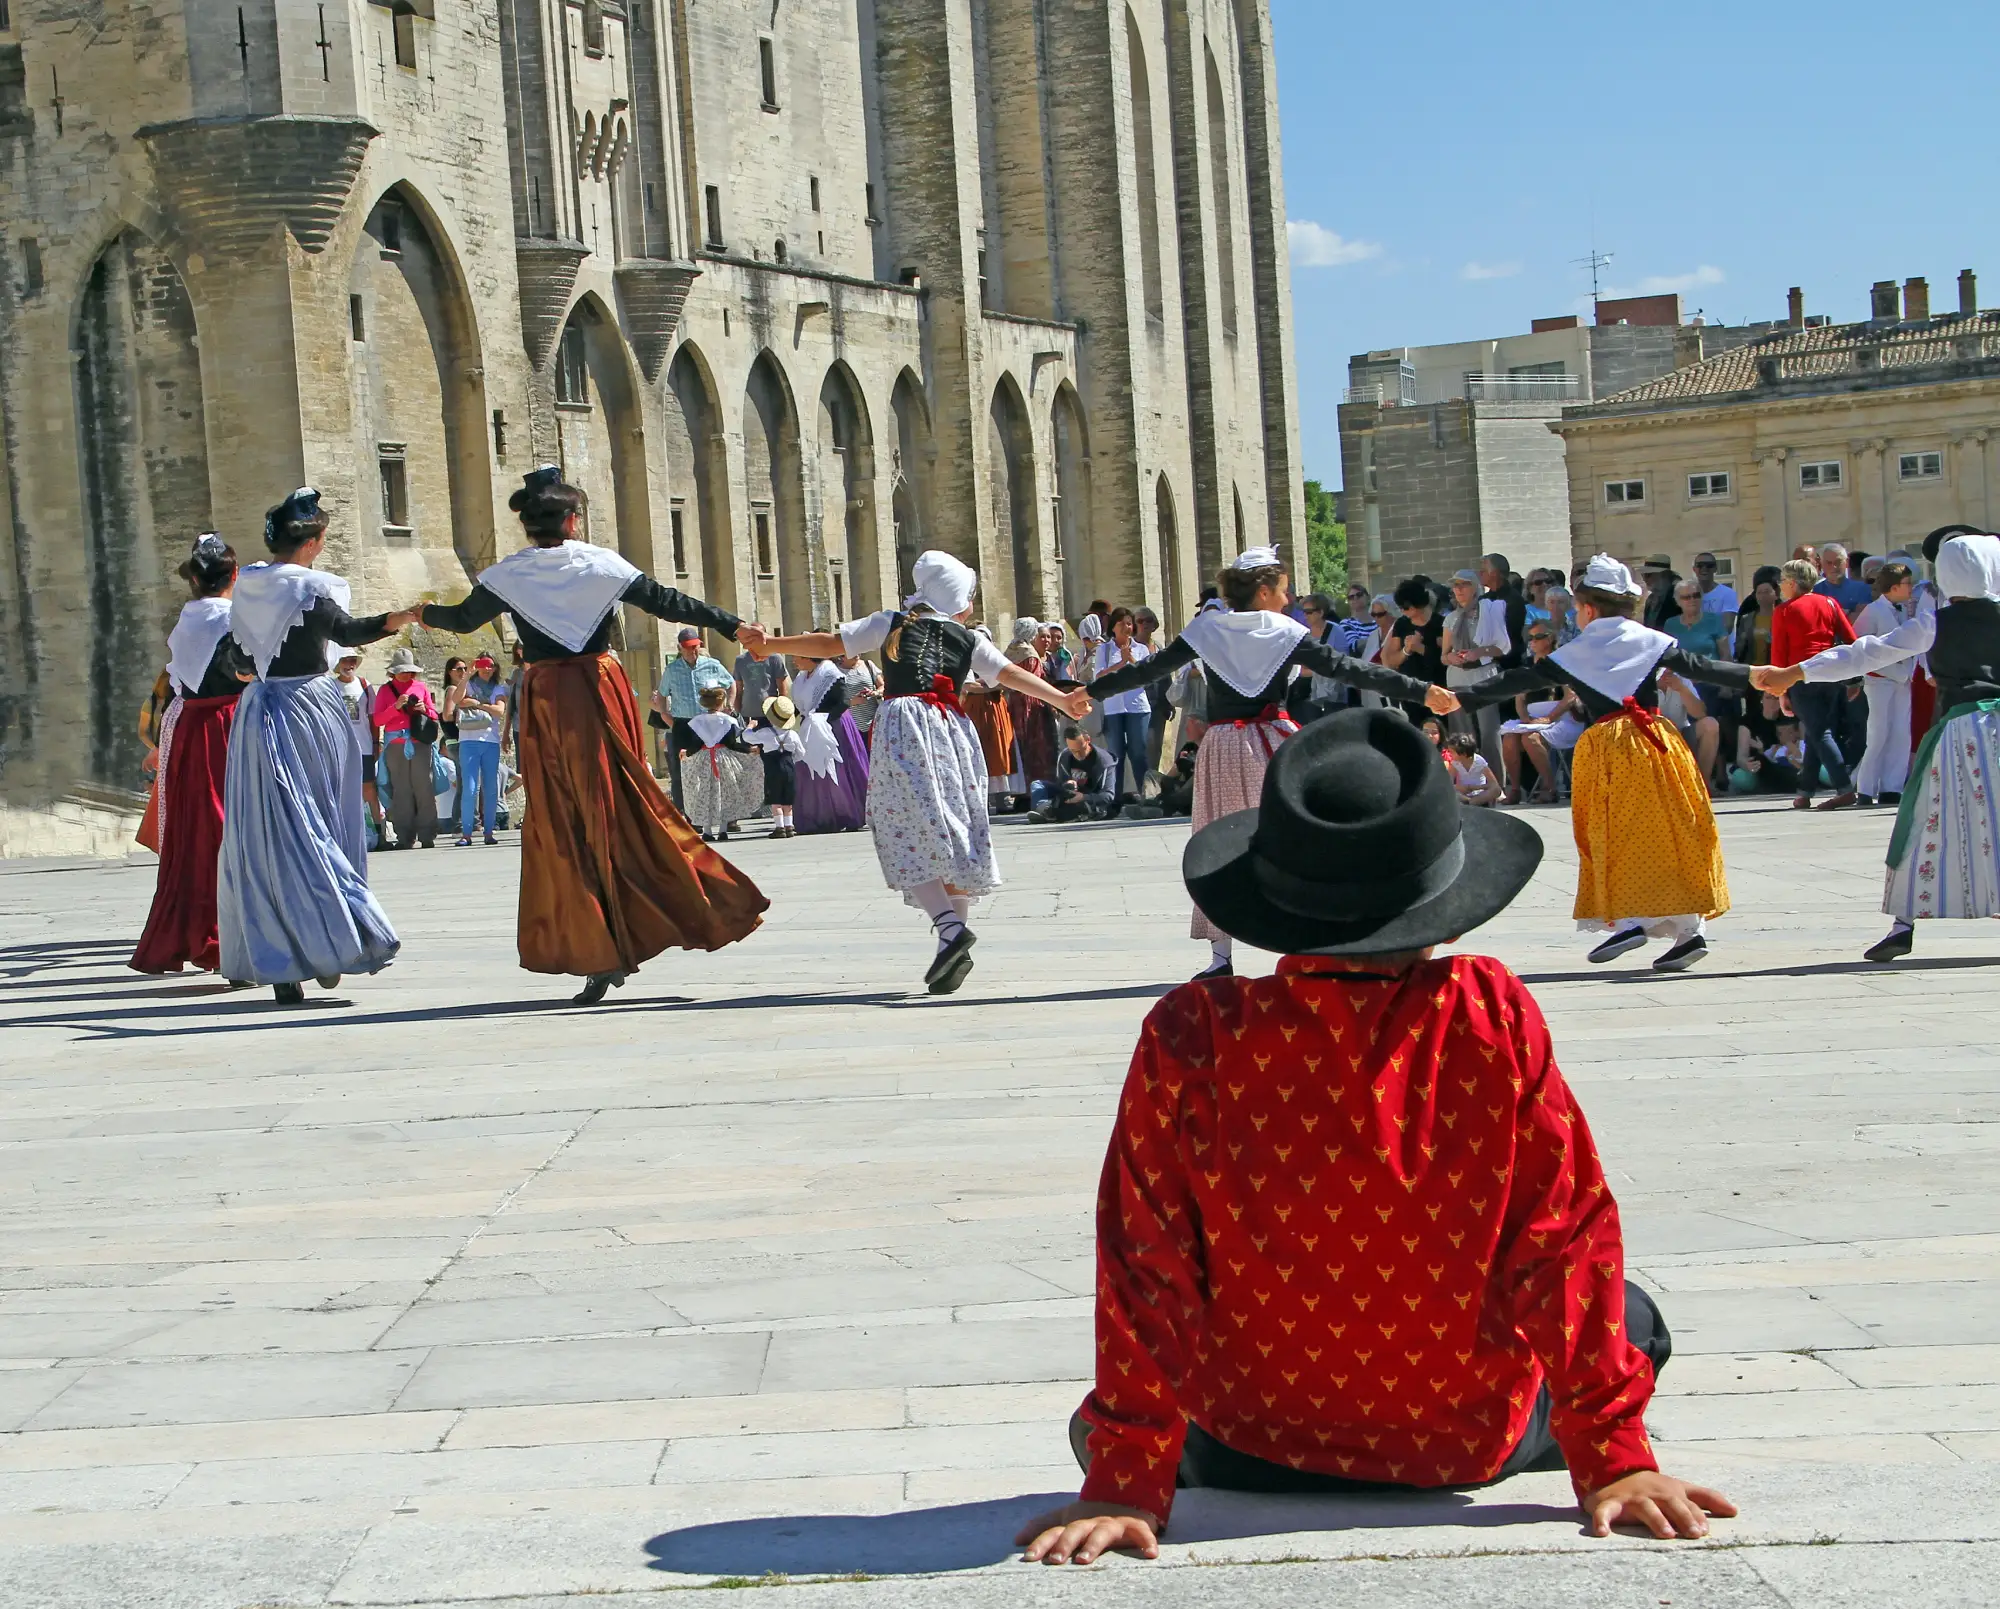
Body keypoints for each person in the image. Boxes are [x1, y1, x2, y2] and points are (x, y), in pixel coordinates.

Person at [1018, 711, 1733, 1567]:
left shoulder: (1192, 1034)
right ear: (1449, 908)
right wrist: (1615, 1457)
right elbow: (1564, 1236)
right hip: (1465, 1443)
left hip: (1248, 1443)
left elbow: (1147, 1254)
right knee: (1639, 1318)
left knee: (1089, 1421)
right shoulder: (1489, 1012)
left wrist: (1125, 1475)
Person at [415, 466, 770, 1004]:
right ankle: (685, 904)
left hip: (547, 697)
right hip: (598, 689)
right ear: (573, 520)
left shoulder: (508, 573)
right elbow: (668, 602)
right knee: (624, 803)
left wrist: (419, 613)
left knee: (563, 818)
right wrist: (731, 624)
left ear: (527, 527)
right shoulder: (599, 563)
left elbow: (462, 620)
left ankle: (599, 940)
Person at [1079, 548, 1456, 980]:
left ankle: (1221, 958)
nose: (1288, 596)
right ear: (1262, 591)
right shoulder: (1284, 631)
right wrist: (1420, 690)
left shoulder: (1209, 629)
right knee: (1304, 840)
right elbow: (1348, 669)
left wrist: (1089, 693)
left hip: (1222, 746)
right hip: (1276, 743)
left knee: (1215, 841)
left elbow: (1148, 670)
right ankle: (1319, 942)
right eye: (1282, 587)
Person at [746, 550, 1089, 994]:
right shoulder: (967, 637)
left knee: (901, 824)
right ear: (957, 597)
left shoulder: (890, 622)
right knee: (957, 826)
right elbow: (1007, 675)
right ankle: (952, 940)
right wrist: (1061, 700)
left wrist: (770, 645)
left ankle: (949, 930)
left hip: (904, 728)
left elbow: (830, 644)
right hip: (952, 734)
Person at [1461, 554, 1755, 972]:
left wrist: (1459, 697)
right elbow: (1703, 667)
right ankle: (1685, 928)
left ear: (1588, 608)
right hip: (1657, 741)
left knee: (1616, 833)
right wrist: (1761, 674)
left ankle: (1638, 919)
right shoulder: (1650, 640)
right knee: (1675, 830)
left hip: (1610, 749)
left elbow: (1521, 679)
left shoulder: (1578, 651)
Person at [1755, 530, 2000, 962]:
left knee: (1923, 823)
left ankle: (1904, 925)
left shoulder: (1935, 622)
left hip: (1960, 734)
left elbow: (1866, 653)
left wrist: (1795, 672)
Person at [218, 488, 413, 1004]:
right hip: (307, 709)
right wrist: (400, 618)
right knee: (323, 823)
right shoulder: (312, 587)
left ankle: (284, 958)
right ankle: (332, 938)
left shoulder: (249, 585)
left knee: (269, 833)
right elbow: (348, 630)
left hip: (256, 714)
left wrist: (250, 668)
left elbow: (234, 654)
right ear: (316, 541)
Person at [131, 534, 247, 977]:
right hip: (222, 725)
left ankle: (195, 933)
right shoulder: (230, 620)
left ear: (194, 579)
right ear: (233, 575)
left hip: (188, 725)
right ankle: (223, 935)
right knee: (224, 827)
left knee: (195, 831)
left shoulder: (189, 618)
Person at [1771, 557, 1858, 810]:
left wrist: (1780, 690)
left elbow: (1779, 654)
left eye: (1783, 581)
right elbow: (1851, 640)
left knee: (1820, 732)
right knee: (1816, 729)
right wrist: (1856, 678)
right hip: (1830, 672)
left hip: (1801, 674)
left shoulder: (1784, 611)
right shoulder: (1830, 603)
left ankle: (1844, 788)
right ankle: (1805, 790)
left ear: (1792, 583)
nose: (1780, 586)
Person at [1850, 561, 1916, 805]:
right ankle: (1866, 788)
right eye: (1907, 583)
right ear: (1895, 586)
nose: (1911, 588)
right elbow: (1860, 646)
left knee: (1901, 733)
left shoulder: (1905, 610)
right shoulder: (1872, 611)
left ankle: (1892, 787)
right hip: (1880, 679)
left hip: (1903, 677)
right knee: (1878, 734)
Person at [789, 654, 870, 833]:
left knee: (839, 770)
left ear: (810, 658)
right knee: (811, 771)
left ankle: (848, 813)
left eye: (797, 658)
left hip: (834, 726)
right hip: (811, 727)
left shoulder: (831, 675)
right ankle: (820, 817)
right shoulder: (802, 677)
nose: (794, 661)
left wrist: (822, 720)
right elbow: (799, 705)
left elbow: (841, 703)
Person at [656, 627, 733, 809]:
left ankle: (725, 813)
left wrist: (729, 706)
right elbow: (661, 694)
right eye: (688, 647)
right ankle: (688, 812)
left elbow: (731, 684)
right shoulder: (672, 670)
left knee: (718, 766)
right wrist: (665, 715)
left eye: (695, 646)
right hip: (684, 723)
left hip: (709, 721)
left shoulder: (712, 664)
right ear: (679, 648)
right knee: (684, 770)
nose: (693, 651)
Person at [1443, 568, 1510, 775]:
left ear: (1475, 588)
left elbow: (1502, 647)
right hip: (1457, 677)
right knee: (1462, 735)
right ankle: (1466, 783)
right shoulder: (1451, 618)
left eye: (1464, 584)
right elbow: (1443, 655)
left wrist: (1479, 652)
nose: (1459, 589)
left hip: (1484, 677)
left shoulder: (1488, 612)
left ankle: (1496, 784)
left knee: (1489, 733)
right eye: (1456, 585)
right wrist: (1451, 658)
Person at [373, 647, 441, 850]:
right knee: (401, 790)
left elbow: (434, 715)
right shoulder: (385, 691)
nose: (406, 675)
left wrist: (424, 709)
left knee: (424, 788)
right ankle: (404, 837)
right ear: (393, 671)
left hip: (419, 742)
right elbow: (377, 720)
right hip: (396, 745)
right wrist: (395, 707)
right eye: (402, 671)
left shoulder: (420, 687)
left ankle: (427, 835)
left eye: (409, 671)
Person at [681, 684, 763, 843]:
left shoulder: (696, 721)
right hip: (723, 760)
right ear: (721, 702)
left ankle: (707, 831)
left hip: (704, 760)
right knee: (724, 793)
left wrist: (687, 753)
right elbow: (732, 744)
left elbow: (696, 745)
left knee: (705, 793)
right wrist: (749, 750)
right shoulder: (728, 720)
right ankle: (723, 830)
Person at [1091, 606, 1153, 797]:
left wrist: (1131, 659)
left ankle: (1146, 795)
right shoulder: (1104, 649)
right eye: (1122, 623)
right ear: (1114, 627)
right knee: (1115, 754)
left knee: (1138, 752)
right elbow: (1098, 676)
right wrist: (1120, 664)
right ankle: (1113, 797)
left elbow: (1147, 676)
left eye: (1129, 623)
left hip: (1137, 706)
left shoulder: (1141, 649)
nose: (1126, 627)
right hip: (1113, 707)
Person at [453, 651, 508, 846]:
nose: (487, 669)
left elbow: (499, 711)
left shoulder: (498, 688)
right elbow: (457, 700)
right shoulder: (468, 684)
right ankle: (466, 833)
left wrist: (477, 703)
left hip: (490, 742)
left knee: (491, 788)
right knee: (469, 788)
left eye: (491, 665)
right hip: (468, 741)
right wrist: (466, 675)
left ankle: (489, 832)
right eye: (483, 664)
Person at [960, 632, 1018, 811]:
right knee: (981, 749)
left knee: (999, 750)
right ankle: (983, 799)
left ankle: (1002, 796)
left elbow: (1007, 679)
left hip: (996, 707)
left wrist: (996, 684)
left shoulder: (994, 659)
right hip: (977, 708)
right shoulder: (966, 660)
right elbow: (968, 685)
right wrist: (994, 685)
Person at [332, 649, 385, 842]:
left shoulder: (364, 685)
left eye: (353, 660)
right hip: (339, 748)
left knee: (369, 789)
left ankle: (379, 834)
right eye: (346, 660)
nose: (350, 664)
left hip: (363, 745)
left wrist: (375, 742)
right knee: (342, 790)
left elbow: (373, 718)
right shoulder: (331, 686)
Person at [1003, 619, 1059, 799]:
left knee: (1019, 747)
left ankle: (1021, 791)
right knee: (1037, 748)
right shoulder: (1030, 655)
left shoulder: (1010, 650)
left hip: (1012, 702)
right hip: (1031, 704)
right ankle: (1036, 791)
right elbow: (1034, 683)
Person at [1379, 577, 1447, 722]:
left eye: (1404, 607)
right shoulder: (1402, 624)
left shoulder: (1441, 624)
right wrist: (1407, 650)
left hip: (1437, 688)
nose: (1402, 611)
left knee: (1439, 730)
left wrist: (1420, 648)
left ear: (1416, 605)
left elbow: (1445, 659)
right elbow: (1390, 660)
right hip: (1410, 689)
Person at [744, 694, 803, 838]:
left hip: (773, 768)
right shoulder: (793, 734)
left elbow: (746, 737)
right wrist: (792, 760)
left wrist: (750, 727)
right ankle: (790, 826)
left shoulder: (765, 733)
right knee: (787, 800)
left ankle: (779, 827)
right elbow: (801, 752)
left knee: (775, 799)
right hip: (789, 767)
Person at [1028, 726, 1116, 822]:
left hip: (1089, 798)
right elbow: (1060, 785)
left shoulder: (1104, 761)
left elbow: (1108, 795)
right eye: (1073, 751)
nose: (1077, 754)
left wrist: (1084, 797)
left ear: (1088, 740)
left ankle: (1052, 813)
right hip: (1070, 795)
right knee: (1037, 785)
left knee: (1086, 806)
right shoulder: (1065, 756)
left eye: (1081, 750)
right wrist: (1067, 783)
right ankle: (1045, 811)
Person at [1814, 542, 1873, 620]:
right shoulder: (1815, 591)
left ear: (1847, 562)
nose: (1834, 567)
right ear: (1821, 564)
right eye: (1829, 563)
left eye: (1838, 562)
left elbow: (1863, 619)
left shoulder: (1863, 589)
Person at [1444, 731, 1502, 805]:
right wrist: (1460, 787)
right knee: (1448, 791)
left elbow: (1493, 783)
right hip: (1463, 794)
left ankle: (1471, 802)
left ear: (1463, 754)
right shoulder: (1455, 763)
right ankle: (1470, 802)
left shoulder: (1479, 761)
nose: (1450, 754)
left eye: (1452, 752)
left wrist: (1475, 787)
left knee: (1496, 790)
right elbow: (1449, 783)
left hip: (1479, 793)